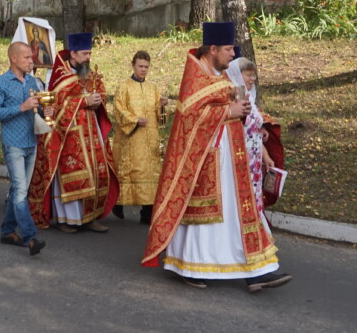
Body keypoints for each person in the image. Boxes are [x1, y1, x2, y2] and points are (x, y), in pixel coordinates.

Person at [142, 22, 291, 293]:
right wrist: (228, 112)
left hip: (231, 159)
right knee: (205, 219)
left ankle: (258, 270)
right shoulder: (195, 76)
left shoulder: (220, 75)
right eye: (227, 49)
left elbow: (224, 106)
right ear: (212, 49)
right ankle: (189, 266)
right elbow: (189, 117)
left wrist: (240, 111)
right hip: (204, 161)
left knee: (238, 216)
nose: (233, 54)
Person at [28, 32, 118, 234]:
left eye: (90, 53)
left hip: (91, 132)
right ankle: (66, 219)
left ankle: (91, 217)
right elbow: (57, 106)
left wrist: (97, 100)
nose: (88, 57)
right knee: (71, 176)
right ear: (73, 53)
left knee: (95, 174)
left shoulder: (88, 72)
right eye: (85, 54)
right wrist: (84, 101)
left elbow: (99, 90)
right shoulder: (60, 75)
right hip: (69, 134)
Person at [0, 42, 48, 256]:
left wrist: (44, 109)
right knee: (21, 192)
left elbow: (38, 109)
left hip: (31, 141)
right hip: (13, 143)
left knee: (17, 190)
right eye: (26, 58)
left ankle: (7, 231)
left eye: (31, 58)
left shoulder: (32, 81)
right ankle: (30, 237)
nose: (31, 61)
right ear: (13, 59)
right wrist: (21, 107)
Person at [111, 50, 167, 224]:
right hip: (132, 139)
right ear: (133, 65)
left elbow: (161, 118)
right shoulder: (124, 87)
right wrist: (135, 120)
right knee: (131, 173)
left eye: (146, 67)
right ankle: (117, 203)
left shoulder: (153, 88)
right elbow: (118, 110)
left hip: (150, 138)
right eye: (140, 66)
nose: (143, 70)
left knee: (151, 174)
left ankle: (147, 212)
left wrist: (163, 106)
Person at [227, 57, 284, 218]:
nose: (252, 79)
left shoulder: (250, 98)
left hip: (254, 160)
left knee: (253, 195)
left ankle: (255, 232)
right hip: (239, 158)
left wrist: (265, 156)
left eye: (254, 75)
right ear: (237, 75)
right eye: (248, 75)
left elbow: (254, 132)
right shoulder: (233, 99)